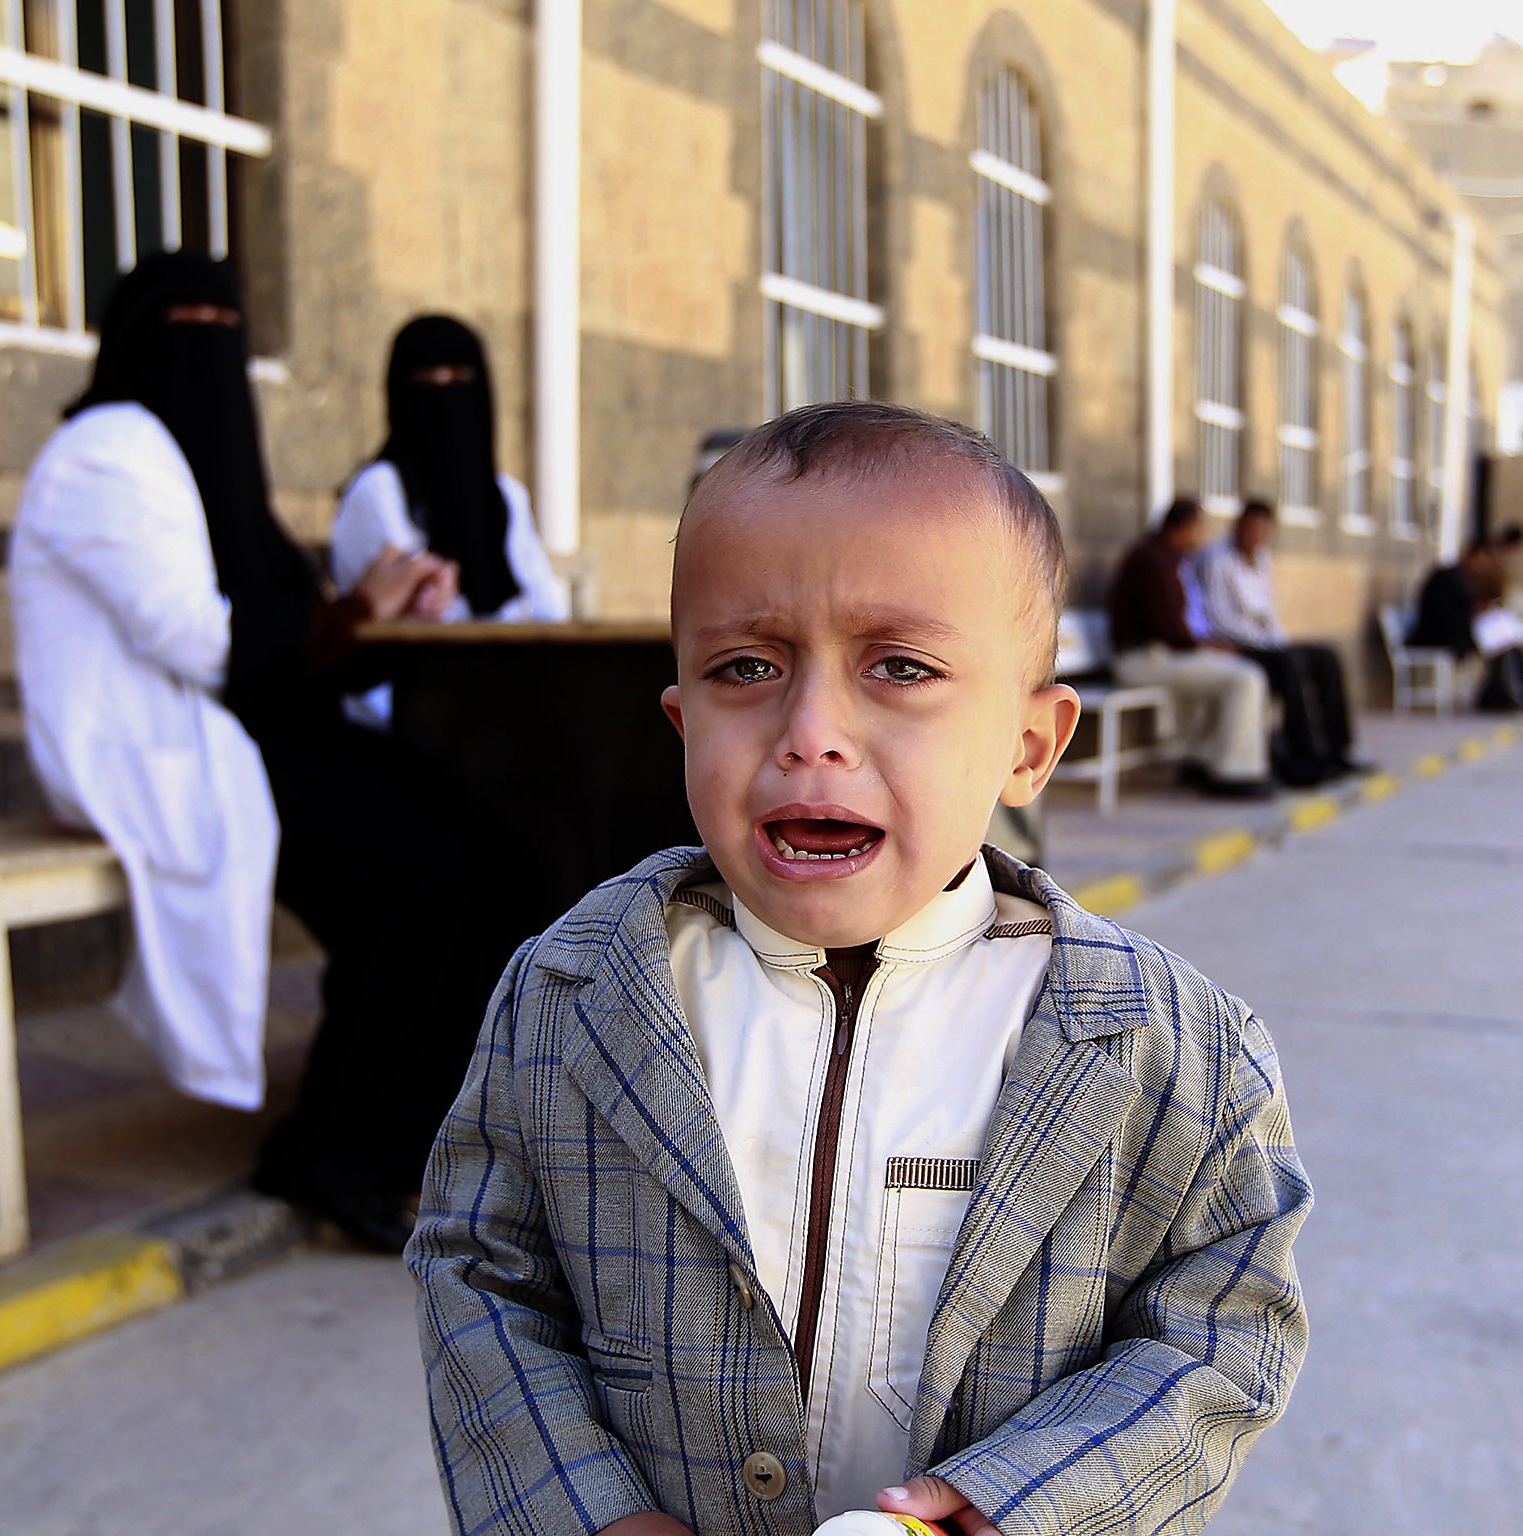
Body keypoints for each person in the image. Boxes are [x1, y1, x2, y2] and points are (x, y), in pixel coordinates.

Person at [408, 402, 1311, 1535]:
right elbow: (482, 1275)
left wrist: (1020, 1505)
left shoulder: (1169, 1052)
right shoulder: (574, 997)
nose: (811, 731)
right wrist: (585, 1515)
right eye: (747, 666)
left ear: (1028, 746)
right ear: (681, 720)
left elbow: (1220, 1331)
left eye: (898, 666)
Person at [9, 252, 499, 1253]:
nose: (208, 348)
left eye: (223, 323)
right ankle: (327, 1151)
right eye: (187, 324)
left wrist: (367, 615)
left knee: (468, 835)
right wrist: (354, 611)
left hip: (231, 735)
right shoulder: (110, 450)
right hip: (151, 754)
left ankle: (400, 1137)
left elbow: (280, 637)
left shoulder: (182, 456)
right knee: (417, 873)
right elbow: (199, 639)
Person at [330, 315, 569, 727]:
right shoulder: (379, 492)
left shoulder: (505, 497)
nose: (444, 400)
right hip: (408, 724)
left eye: (458, 379)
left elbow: (546, 612)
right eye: (427, 380)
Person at [1105, 497, 1276, 798]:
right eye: (1200, 528)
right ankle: (1233, 772)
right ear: (1184, 527)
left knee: (1234, 672)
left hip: (1159, 654)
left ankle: (1203, 760)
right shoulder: (1153, 559)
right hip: (1142, 660)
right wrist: (1206, 647)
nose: (1202, 536)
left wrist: (1207, 646)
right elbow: (1169, 629)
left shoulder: (1167, 558)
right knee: (1246, 678)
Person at [1196, 499, 1368, 784]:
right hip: (1235, 645)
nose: (1255, 537)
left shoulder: (1262, 559)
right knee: (1289, 664)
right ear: (1238, 527)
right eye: (1250, 529)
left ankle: (1337, 749)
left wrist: (1278, 639)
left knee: (1326, 657)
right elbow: (1219, 618)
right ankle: (1302, 755)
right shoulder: (1217, 559)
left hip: (1268, 641)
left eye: (1261, 531)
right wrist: (1266, 643)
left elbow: (1267, 610)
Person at [1408, 528, 1523, 712]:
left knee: (1509, 644)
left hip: (1457, 631)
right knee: (1501, 642)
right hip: (1440, 635)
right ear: (1475, 555)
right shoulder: (1447, 577)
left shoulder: (1462, 577)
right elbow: (1444, 614)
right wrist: (1474, 613)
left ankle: (1516, 691)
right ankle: (1498, 694)